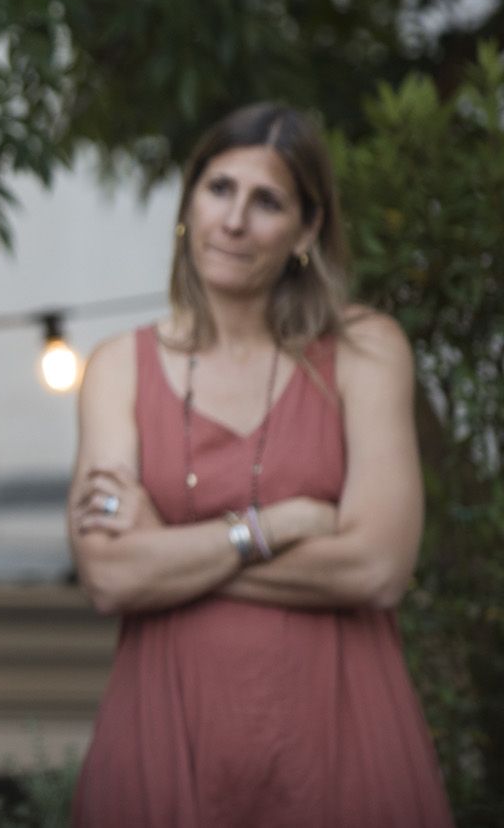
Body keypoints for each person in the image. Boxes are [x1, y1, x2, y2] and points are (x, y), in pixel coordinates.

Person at [67, 104, 452, 827]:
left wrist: (170, 553)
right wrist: (283, 524)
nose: (234, 221)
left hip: (340, 734)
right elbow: (111, 575)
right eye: (219, 190)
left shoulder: (366, 350)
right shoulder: (119, 366)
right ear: (188, 203)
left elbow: (375, 569)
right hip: (166, 730)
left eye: (267, 201)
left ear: (308, 230)